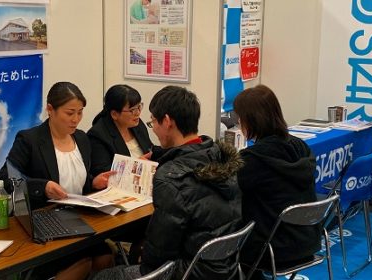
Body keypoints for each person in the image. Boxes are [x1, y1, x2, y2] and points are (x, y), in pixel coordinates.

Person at [91, 85, 243, 280]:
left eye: (153, 121)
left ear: (168, 122)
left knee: (102, 277)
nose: (152, 128)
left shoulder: (171, 180)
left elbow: (156, 259)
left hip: (189, 272)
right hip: (224, 267)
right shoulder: (220, 156)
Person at [0, 81, 115, 280]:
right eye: (70, 113)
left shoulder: (82, 139)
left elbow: (77, 179)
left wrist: (93, 182)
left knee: (105, 256)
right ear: (50, 110)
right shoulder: (30, 140)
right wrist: (42, 186)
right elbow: (6, 178)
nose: (76, 119)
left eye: (80, 113)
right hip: (41, 221)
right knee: (82, 264)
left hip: (77, 219)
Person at [233, 85, 320, 279]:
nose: (239, 122)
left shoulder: (253, 159)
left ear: (251, 120)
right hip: (307, 240)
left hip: (272, 249)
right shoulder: (301, 147)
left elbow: (231, 190)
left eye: (240, 118)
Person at [87, 84, 153, 177]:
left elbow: (149, 149)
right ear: (114, 114)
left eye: (139, 107)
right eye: (132, 110)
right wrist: (136, 165)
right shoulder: (97, 135)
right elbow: (104, 173)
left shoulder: (136, 124)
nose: (138, 113)